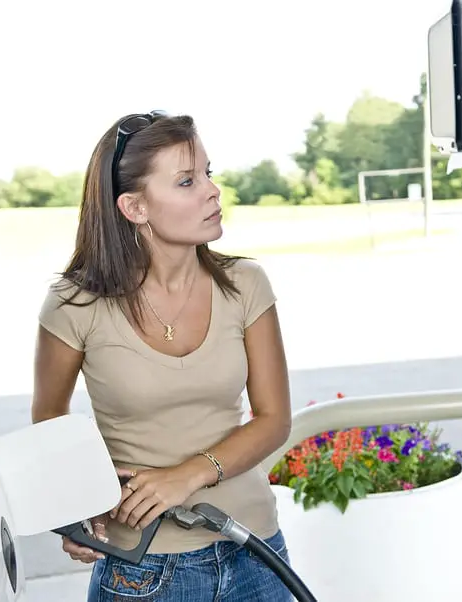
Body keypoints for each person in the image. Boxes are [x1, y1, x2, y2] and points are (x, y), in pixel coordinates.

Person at [31, 111, 295, 601]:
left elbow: (275, 419)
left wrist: (186, 476)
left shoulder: (246, 285)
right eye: (186, 181)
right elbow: (49, 420)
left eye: (208, 174)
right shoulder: (74, 304)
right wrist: (72, 507)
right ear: (135, 207)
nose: (212, 191)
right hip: (142, 568)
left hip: (256, 552)